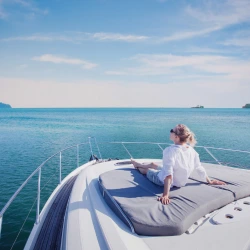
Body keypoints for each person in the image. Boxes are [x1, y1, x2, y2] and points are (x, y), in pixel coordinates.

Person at [131, 124, 226, 205]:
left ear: (176, 137)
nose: (170, 131)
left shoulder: (170, 151)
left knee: (147, 171)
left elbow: (168, 174)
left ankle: (137, 166)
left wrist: (165, 195)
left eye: (172, 130)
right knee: (155, 165)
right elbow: (199, 167)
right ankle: (143, 164)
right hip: (180, 181)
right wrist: (209, 181)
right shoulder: (191, 150)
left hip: (162, 180)